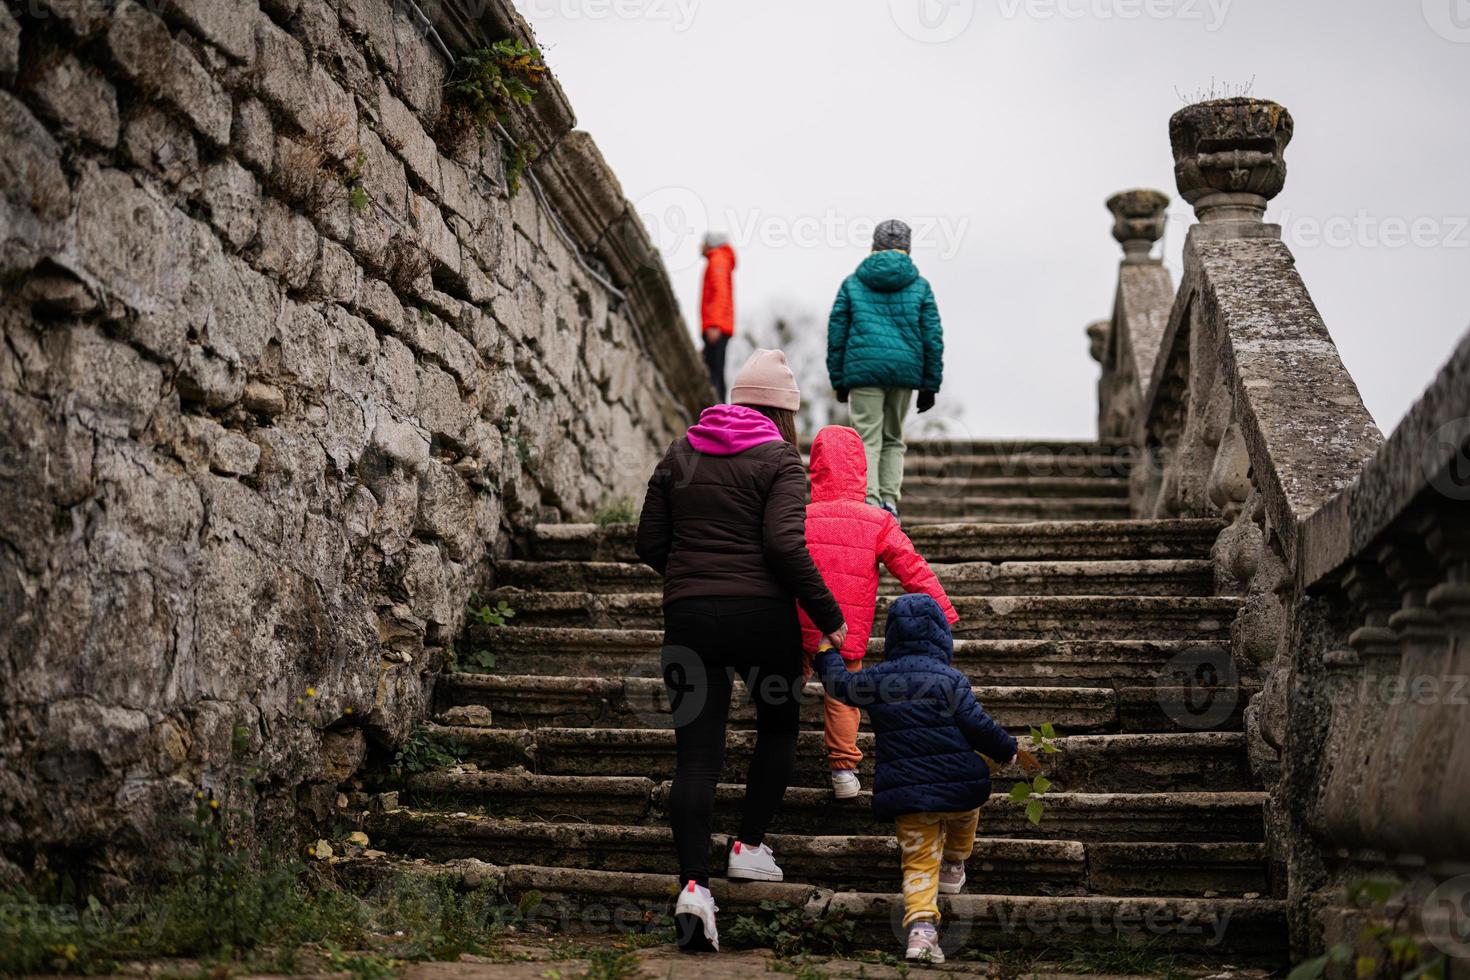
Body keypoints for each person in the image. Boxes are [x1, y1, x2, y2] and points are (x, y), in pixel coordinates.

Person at [635, 348, 847, 954]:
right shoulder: (781, 458)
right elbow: (784, 545)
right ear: (783, 413)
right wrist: (829, 616)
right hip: (762, 620)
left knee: (696, 757)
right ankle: (749, 847)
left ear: (734, 399)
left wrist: (689, 577)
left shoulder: (681, 451)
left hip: (690, 619)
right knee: (778, 726)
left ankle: (695, 889)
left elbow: (649, 539)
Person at [815, 593, 1016, 965]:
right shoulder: (950, 679)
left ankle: (922, 931)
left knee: (919, 862)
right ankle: (955, 862)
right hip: (961, 788)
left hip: (908, 794)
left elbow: (841, 686)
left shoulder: (878, 679)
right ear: (941, 636)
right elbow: (978, 726)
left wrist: (826, 650)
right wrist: (1008, 750)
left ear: (891, 637)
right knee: (967, 815)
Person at [797, 425, 959, 799]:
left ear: (816, 468)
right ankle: (843, 769)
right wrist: (943, 612)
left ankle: (775, 738)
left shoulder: (799, 515)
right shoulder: (877, 521)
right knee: (841, 695)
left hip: (800, 619)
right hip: (846, 627)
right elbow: (912, 567)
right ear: (862, 470)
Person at [826, 219, 945, 520]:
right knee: (893, 437)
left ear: (873, 248)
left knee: (866, 437)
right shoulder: (920, 286)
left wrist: (839, 378)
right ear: (908, 249)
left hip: (864, 370)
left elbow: (837, 331)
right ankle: (890, 502)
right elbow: (932, 335)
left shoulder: (853, 283)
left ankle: (870, 500)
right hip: (905, 372)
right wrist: (930, 384)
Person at [700, 232, 736, 402]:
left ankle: (718, 408)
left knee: (716, 371)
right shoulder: (720, 260)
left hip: (717, 326)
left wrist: (714, 325)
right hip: (719, 325)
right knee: (714, 368)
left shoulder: (717, 260)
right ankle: (717, 406)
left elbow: (719, 294)